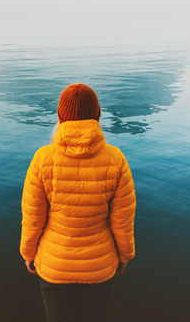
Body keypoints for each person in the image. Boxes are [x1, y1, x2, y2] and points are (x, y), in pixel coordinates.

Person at [20, 83, 136, 322]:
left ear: (60, 117)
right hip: (100, 268)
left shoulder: (42, 159)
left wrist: (28, 254)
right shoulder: (116, 160)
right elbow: (123, 221)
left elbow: (33, 218)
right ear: (98, 116)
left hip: (54, 266)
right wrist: (125, 255)